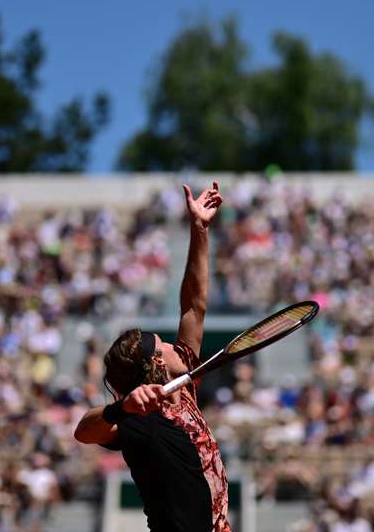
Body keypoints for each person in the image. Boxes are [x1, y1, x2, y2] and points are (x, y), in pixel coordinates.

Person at [74, 181, 229, 532]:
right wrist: (122, 407)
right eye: (165, 345)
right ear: (158, 364)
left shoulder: (185, 391)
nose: (176, 346)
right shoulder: (142, 424)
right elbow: (84, 432)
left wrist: (200, 230)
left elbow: (193, 305)